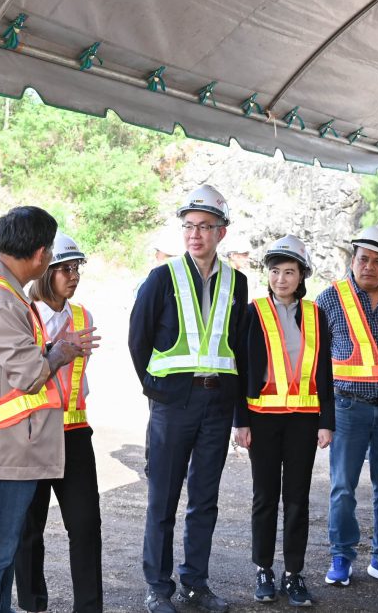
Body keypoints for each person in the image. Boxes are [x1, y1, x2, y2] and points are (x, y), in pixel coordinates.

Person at [0, 206, 98, 613]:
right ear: (40, 254)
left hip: (4, 445)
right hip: (2, 448)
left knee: (0, 551)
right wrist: (60, 351)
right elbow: (29, 374)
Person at [128, 185, 248, 613]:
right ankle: (158, 588)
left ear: (222, 232)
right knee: (163, 498)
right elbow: (138, 338)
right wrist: (156, 390)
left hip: (217, 403)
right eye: (189, 226)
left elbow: (239, 347)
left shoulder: (238, 281)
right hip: (172, 404)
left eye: (204, 227)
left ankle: (195, 583)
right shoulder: (163, 277)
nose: (195, 235)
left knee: (204, 499)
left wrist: (239, 413)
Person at [233, 235, 334, 607]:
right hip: (262, 419)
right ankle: (263, 569)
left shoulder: (316, 315)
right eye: (275, 271)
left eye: (289, 272)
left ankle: (293, 573)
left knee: (297, 499)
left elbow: (324, 369)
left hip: (304, 421)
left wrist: (327, 419)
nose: (280, 279)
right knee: (264, 497)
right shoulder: (253, 311)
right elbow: (240, 368)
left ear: (302, 275)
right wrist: (239, 420)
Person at [315, 224, 378, 590]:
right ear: (352, 259)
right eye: (363, 259)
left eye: (377, 261)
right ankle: (341, 556)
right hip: (347, 407)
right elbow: (317, 361)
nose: (368, 267)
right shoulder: (329, 299)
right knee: (343, 486)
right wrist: (321, 415)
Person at [14, 232, 103, 613]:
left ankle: (89, 607)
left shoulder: (83, 316)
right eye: (64, 269)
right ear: (44, 272)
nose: (73, 276)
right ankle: (33, 604)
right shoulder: (22, 314)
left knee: (86, 527)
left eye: (76, 268)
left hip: (75, 433)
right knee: (28, 530)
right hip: (31, 434)